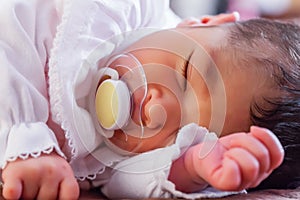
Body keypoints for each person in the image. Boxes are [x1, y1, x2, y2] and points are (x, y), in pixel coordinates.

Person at [0, 0, 297, 199]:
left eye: (182, 135)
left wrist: (189, 168)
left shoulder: (117, 150)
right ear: (200, 23)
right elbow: (13, 26)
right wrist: (27, 138)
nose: (155, 112)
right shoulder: (116, 13)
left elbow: (122, 180)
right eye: (185, 73)